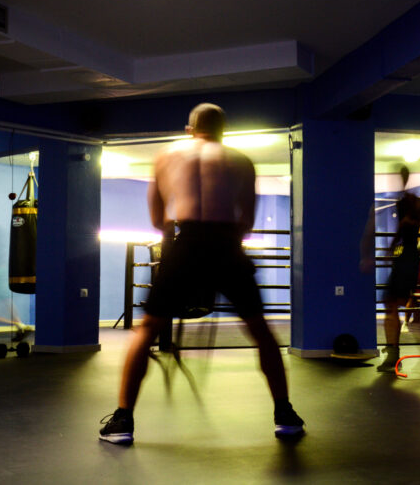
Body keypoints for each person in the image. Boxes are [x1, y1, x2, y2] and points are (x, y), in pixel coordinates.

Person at [98, 103, 304, 445]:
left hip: (186, 242)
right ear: (224, 130)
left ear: (190, 128)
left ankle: (123, 420)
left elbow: (158, 218)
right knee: (260, 329)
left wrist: (177, 252)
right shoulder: (241, 160)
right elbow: (247, 221)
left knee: (147, 330)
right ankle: (285, 413)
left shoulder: (167, 155)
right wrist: (225, 250)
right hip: (226, 244)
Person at [375, 166, 420, 372]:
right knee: (390, 305)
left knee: (392, 304)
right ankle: (393, 352)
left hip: (408, 260)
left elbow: (405, 226)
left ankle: (393, 353)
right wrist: (392, 250)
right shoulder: (405, 202)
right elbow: (402, 229)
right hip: (404, 259)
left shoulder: (412, 204)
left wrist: (392, 248)